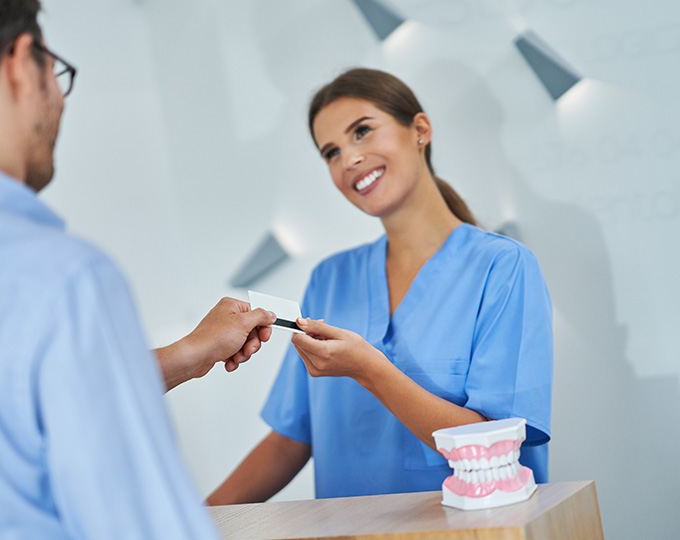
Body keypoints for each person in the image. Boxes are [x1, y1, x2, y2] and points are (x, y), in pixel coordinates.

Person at [0, 1, 276, 538]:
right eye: (56, 71)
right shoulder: (61, 280)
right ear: (22, 62)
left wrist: (188, 354)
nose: (61, 100)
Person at [207, 68, 553, 504]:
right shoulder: (330, 280)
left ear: (420, 130)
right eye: (331, 151)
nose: (348, 158)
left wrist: (370, 370)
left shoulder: (502, 268)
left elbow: (494, 446)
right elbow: (289, 440)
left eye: (363, 132)